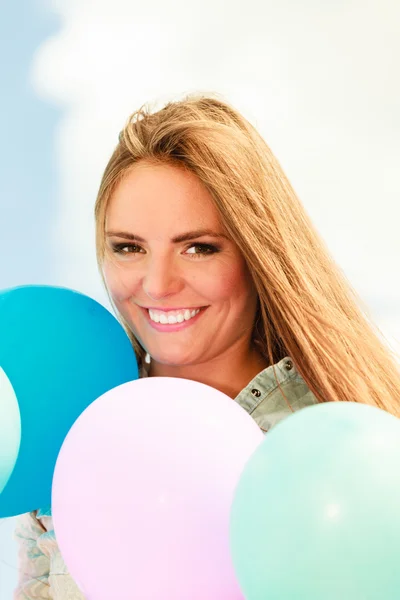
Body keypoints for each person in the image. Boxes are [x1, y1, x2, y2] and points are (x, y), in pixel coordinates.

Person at [13, 94, 400, 599]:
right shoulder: (69, 442)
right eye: (128, 247)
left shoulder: (349, 451)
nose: (156, 284)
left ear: (257, 253)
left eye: (198, 248)